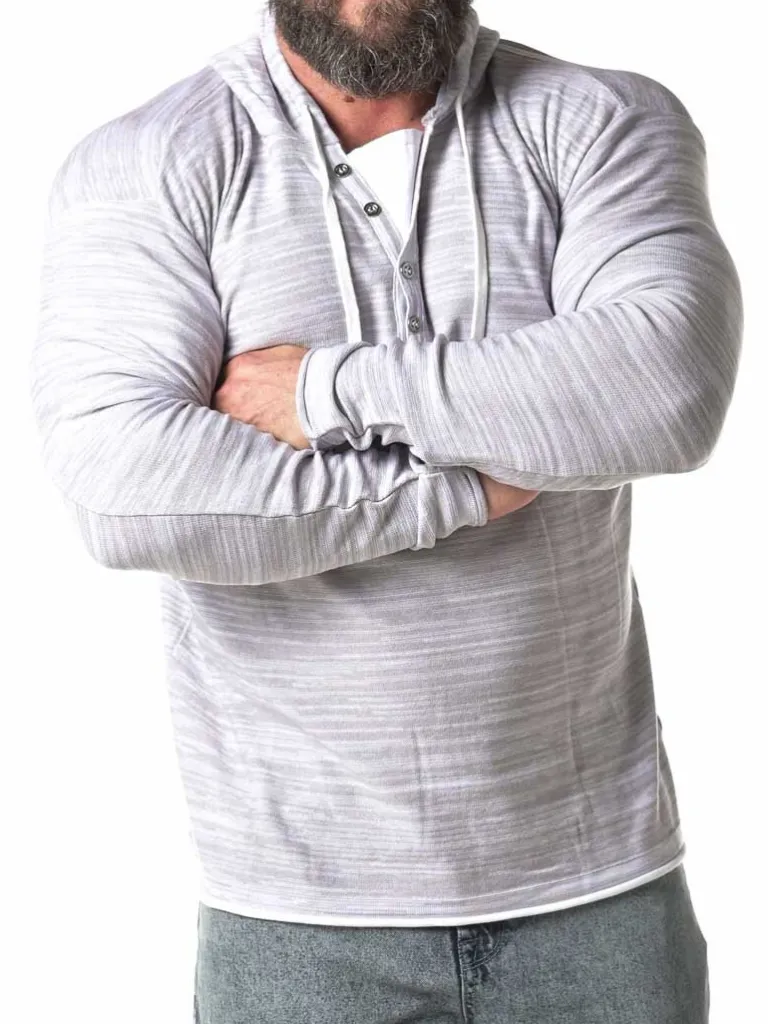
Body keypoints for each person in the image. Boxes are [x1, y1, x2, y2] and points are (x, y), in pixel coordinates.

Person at [29, 0, 742, 1020]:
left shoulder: (599, 121)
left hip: (598, 893)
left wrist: (322, 389)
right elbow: (126, 491)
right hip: (295, 916)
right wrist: (463, 486)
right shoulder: (148, 162)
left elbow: (663, 390)